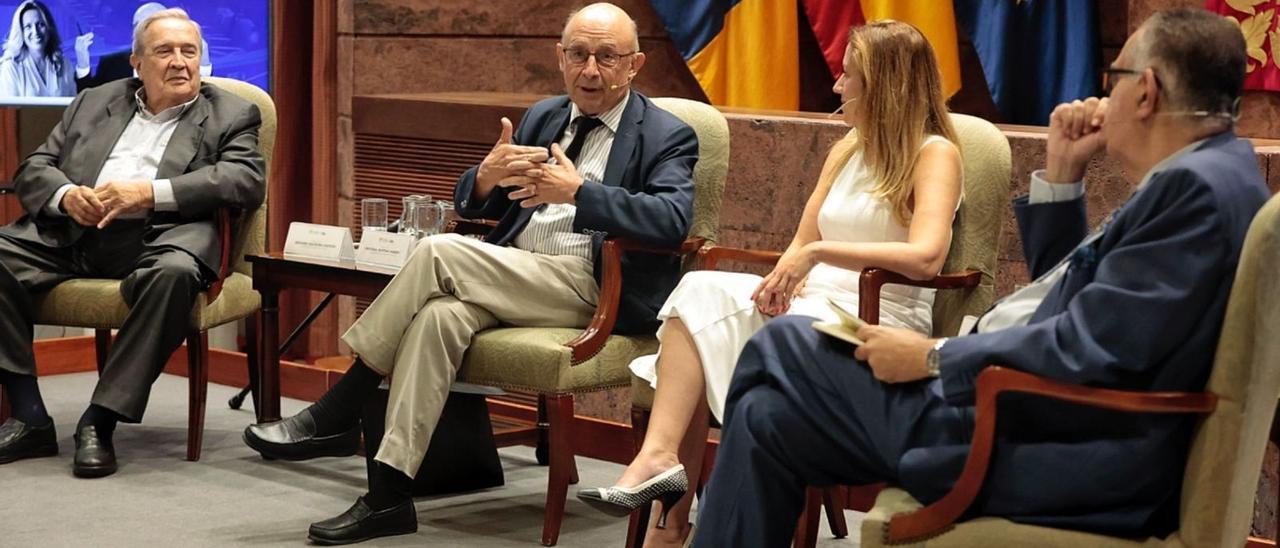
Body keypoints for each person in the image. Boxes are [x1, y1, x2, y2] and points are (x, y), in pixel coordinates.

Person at [690, 8, 1271, 547]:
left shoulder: (1193, 190)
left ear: (1145, 92)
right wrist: (1064, 175)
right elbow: (1073, 302)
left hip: (1037, 437)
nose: (1102, 92)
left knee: (784, 342)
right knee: (767, 420)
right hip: (1033, 410)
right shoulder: (1214, 173)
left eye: (1114, 75)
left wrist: (934, 356)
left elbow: (1091, 347)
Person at [241, 3, 698, 544]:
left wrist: (581, 193)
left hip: (593, 285)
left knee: (439, 252)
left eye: (606, 57)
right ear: (560, 57)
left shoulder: (667, 134)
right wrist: (483, 177)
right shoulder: (545, 116)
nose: (590, 70)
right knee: (438, 316)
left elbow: (672, 221)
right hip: (517, 272)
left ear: (634, 64)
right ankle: (388, 495)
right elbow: (486, 204)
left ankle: (342, 404)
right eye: (578, 55)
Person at [575, 20, 963, 545]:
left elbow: (926, 257)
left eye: (848, 77)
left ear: (884, 85)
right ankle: (660, 461)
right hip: (812, 301)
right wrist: (782, 280)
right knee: (698, 292)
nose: (837, 86)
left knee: (728, 336)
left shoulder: (934, 152)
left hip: (875, 317)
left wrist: (821, 253)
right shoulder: (848, 148)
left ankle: (673, 523)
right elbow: (799, 246)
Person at [0, 9, 264, 478]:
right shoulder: (93, 100)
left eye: (190, 51)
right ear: (137, 63)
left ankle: (99, 421)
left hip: (161, 236)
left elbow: (244, 181)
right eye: (164, 51)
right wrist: (65, 196)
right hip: (73, 234)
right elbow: (35, 167)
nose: (180, 62)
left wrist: (148, 193)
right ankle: (29, 416)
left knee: (176, 276)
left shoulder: (232, 112)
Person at [76, 2, 213, 91]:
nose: (144, 34)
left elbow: (202, 95)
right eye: (139, 27)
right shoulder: (112, 64)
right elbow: (90, 105)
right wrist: (83, 65)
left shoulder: (180, 63)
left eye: (151, 26)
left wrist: (204, 63)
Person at [0, 0, 91, 97]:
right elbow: (9, 110)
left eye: (40, 24)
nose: (35, 32)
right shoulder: (11, 67)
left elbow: (73, 104)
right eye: (28, 26)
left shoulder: (64, 64)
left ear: (49, 27)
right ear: (21, 32)